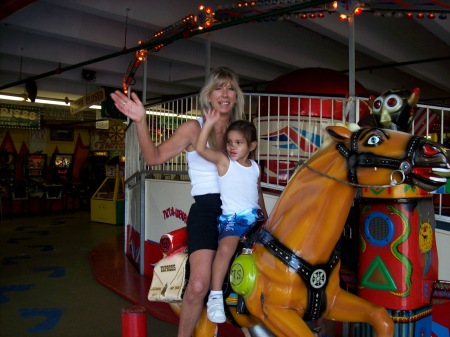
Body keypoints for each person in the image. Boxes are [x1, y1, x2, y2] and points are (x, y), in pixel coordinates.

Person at [110, 67, 246, 337]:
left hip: (237, 209)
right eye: (219, 87)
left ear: (236, 95)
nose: (225, 94)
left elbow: (249, 177)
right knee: (197, 285)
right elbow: (153, 158)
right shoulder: (193, 128)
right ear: (208, 94)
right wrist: (140, 121)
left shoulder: (239, 131)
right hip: (206, 210)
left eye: (230, 88)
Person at [196, 109, 267, 324]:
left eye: (238, 143)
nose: (232, 147)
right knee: (226, 249)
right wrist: (208, 123)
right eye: (229, 142)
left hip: (254, 218)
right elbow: (200, 148)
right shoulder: (225, 162)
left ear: (251, 146)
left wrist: (266, 218)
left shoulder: (255, 167)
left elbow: (258, 192)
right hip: (233, 219)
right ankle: (215, 296)